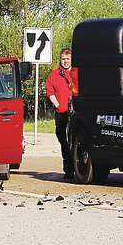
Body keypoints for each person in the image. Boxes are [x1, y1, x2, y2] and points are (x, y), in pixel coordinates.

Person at [45, 47, 78, 179]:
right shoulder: (54, 74)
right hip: (61, 112)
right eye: (63, 59)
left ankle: (76, 167)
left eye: (67, 59)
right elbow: (49, 91)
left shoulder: (77, 73)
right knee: (62, 138)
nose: (65, 61)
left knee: (75, 140)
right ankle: (68, 167)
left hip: (75, 113)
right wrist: (57, 104)